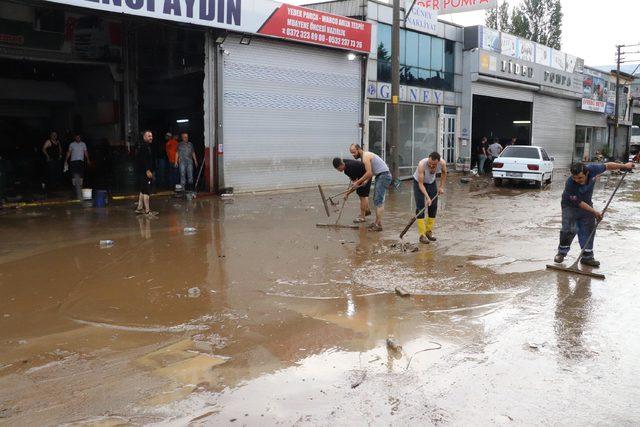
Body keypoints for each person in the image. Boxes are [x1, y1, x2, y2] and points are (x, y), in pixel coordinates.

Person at [554, 161, 634, 267]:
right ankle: (561, 253)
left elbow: (608, 165)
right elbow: (579, 203)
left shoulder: (592, 169)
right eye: (574, 178)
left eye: (580, 178)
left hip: (587, 204)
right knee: (569, 229)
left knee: (588, 229)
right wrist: (595, 212)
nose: (577, 180)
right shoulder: (570, 183)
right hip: (570, 206)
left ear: (587, 173)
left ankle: (587, 257)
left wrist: (624, 166)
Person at [349, 144, 392, 232]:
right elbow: (371, 172)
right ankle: (377, 222)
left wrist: (357, 182)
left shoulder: (365, 157)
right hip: (381, 175)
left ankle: (378, 225)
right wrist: (365, 180)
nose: (353, 155)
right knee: (377, 200)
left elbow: (368, 173)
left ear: (359, 149)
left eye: (354, 152)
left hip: (384, 175)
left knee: (378, 201)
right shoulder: (365, 156)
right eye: (351, 153)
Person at [413, 152, 447, 244]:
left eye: (434, 164)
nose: (431, 166)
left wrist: (441, 187)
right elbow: (420, 184)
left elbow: (444, 173)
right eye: (430, 163)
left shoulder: (442, 163)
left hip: (431, 183)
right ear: (428, 159)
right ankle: (422, 235)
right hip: (419, 183)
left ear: (438, 162)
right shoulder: (422, 165)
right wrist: (427, 197)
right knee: (420, 207)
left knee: (433, 206)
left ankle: (428, 231)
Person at [332, 157, 372, 223]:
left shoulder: (349, 169)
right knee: (361, 195)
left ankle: (362, 218)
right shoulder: (344, 162)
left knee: (362, 196)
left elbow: (355, 186)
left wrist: (347, 194)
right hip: (360, 174)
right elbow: (354, 181)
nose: (339, 171)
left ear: (342, 164)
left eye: (339, 168)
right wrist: (352, 180)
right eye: (337, 169)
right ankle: (366, 211)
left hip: (366, 176)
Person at [65, 134, 91, 200]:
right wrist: (66, 160)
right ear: (75, 138)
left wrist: (88, 159)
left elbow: (86, 152)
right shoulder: (72, 144)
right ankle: (74, 189)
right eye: (76, 137)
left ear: (80, 138)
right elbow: (69, 152)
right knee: (73, 175)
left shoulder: (83, 144)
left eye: (79, 137)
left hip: (80, 162)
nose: (78, 138)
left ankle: (80, 188)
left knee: (81, 175)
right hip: (73, 162)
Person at [135, 130, 155, 216]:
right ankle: (147, 211)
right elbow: (143, 160)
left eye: (151, 136)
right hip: (144, 172)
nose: (151, 137)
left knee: (143, 189)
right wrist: (147, 170)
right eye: (148, 136)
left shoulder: (145, 146)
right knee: (147, 190)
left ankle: (139, 208)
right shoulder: (144, 147)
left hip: (142, 172)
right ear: (144, 137)